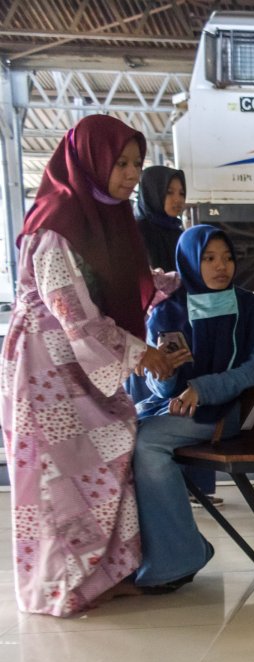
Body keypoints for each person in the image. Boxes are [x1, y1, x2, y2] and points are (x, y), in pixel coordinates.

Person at [0, 114, 182, 617]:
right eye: (120, 163)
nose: (129, 174)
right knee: (58, 478)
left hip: (81, 367)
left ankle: (101, 576)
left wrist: (165, 283)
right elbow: (73, 313)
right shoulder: (57, 222)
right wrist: (139, 353)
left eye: (136, 164)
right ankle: (57, 587)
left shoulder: (104, 216)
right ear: (90, 160)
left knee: (104, 465)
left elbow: (112, 282)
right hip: (47, 370)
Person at [132, 224, 254, 592]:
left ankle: (178, 557)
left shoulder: (252, 310)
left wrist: (202, 388)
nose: (220, 266)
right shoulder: (165, 314)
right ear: (190, 262)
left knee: (146, 444)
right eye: (208, 258)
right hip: (173, 410)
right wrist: (168, 374)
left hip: (228, 413)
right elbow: (156, 383)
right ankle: (136, 558)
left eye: (227, 257)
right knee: (119, 438)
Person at [132, 165, 224, 507]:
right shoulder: (137, 232)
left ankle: (197, 489)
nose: (177, 200)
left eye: (181, 193)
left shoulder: (181, 233)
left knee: (189, 401)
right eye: (169, 193)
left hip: (186, 328)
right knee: (157, 401)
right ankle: (162, 492)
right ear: (153, 193)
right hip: (150, 336)